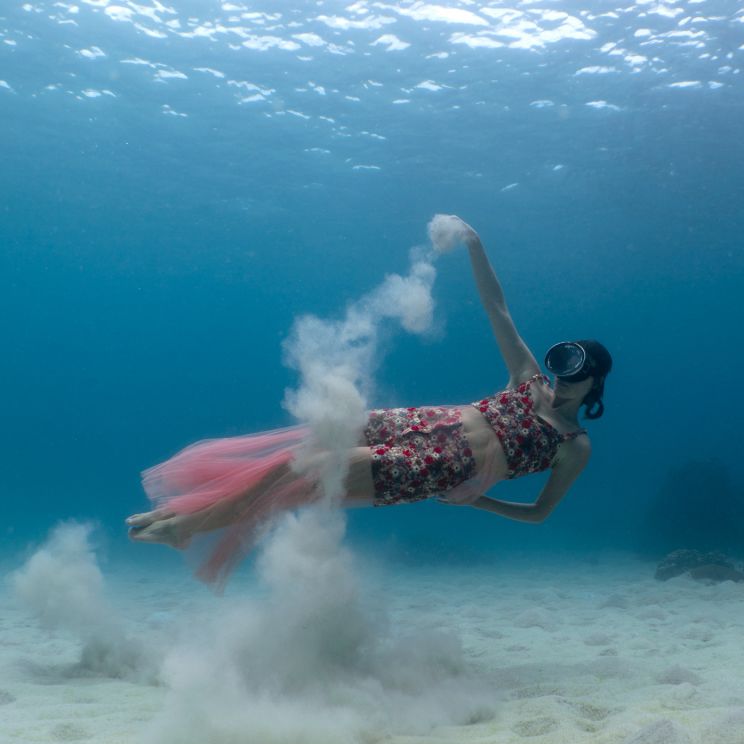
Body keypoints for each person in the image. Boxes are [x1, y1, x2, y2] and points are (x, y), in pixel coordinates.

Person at [127, 217, 612, 587]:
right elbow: (497, 307)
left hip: (431, 464)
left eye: (577, 375)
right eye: (562, 367)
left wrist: (479, 501)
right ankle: (181, 516)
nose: (563, 380)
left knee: (298, 474)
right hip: (415, 421)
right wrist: (475, 243)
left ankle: (186, 526)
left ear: (595, 383)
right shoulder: (528, 380)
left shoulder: (575, 446)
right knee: (289, 464)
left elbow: (539, 512)